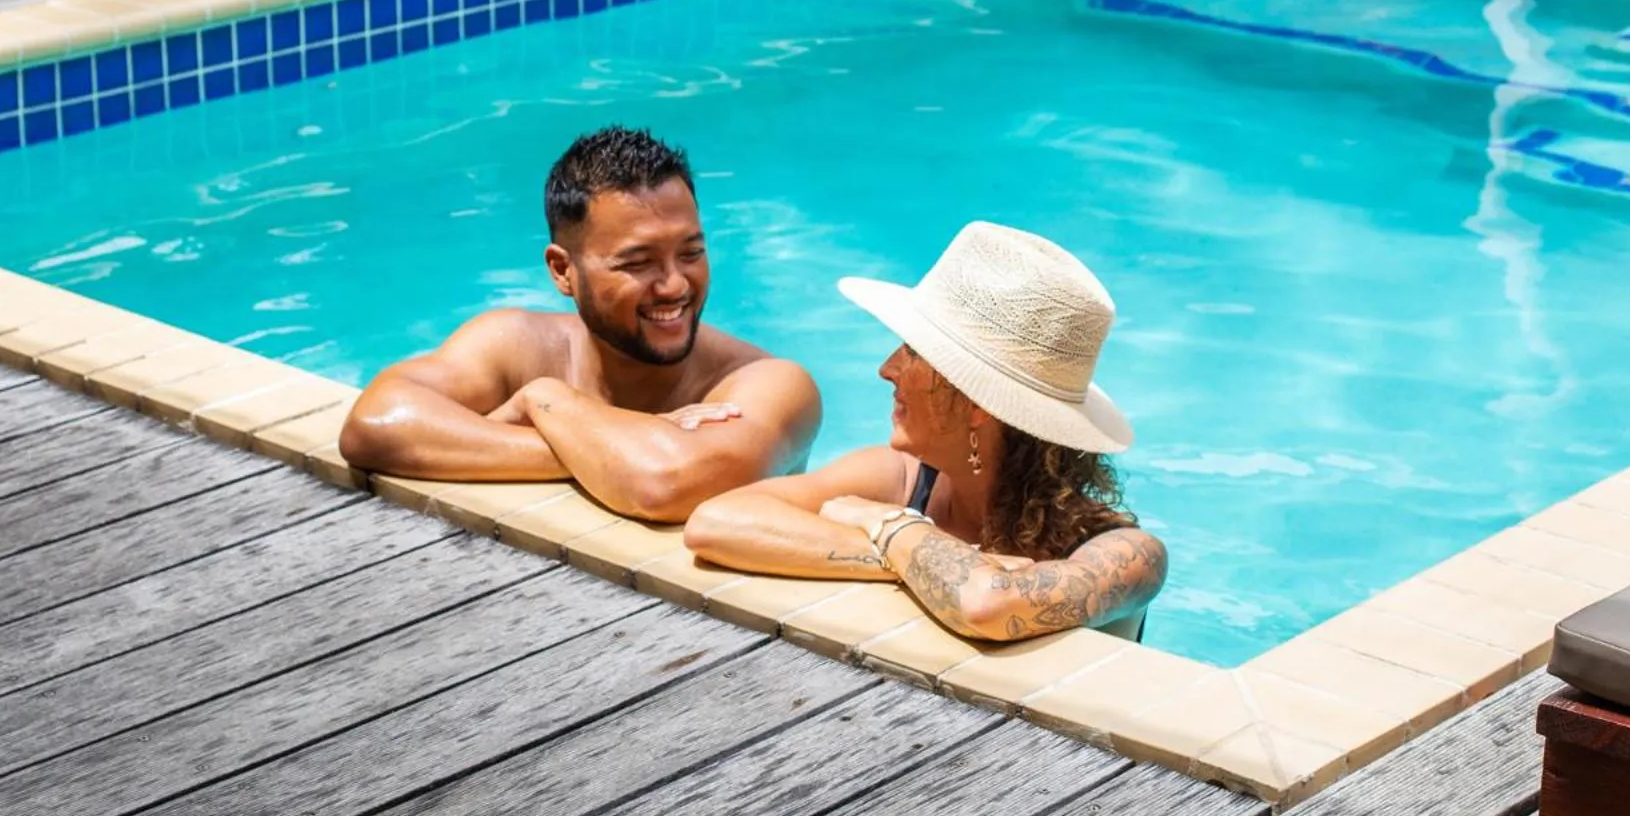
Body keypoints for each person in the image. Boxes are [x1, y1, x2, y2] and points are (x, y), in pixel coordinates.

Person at [683, 221, 1166, 642]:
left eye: (913, 351)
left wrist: (891, 524)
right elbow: (715, 522)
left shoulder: (1126, 555)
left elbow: (986, 606)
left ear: (977, 404)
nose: (887, 369)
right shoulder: (899, 479)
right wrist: (904, 558)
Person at [338, 126, 822, 523]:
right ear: (563, 270)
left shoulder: (768, 384)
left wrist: (545, 400)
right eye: (638, 263)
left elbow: (664, 485)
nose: (675, 285)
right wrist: (611, 447)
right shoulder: (513, 344)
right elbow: (373, 427)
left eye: (692, 253)